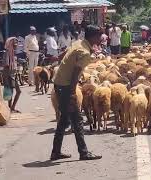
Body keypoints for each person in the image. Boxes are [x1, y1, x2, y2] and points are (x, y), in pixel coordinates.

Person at [51, 25, 103, 161]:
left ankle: (56, 152)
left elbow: (65, 54)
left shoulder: (78, 43)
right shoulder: (85, 52)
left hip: (60, 83)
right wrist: (73, 93)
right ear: (92, 37)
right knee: (77, 120)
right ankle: (83, 152)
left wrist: (57, 59)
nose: (101, 38)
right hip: (67, 86)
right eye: (99, 36)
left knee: (64, 120)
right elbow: (75, 73)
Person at [3, 37, 21, 113]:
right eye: (15, 43)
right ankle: (10, 107)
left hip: (13, 74)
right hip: (9, 74)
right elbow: (6, 65)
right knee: (11, 91)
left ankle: (11, 107)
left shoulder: (13, 52)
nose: (16, 45)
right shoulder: (7, 52)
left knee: (17, 91)